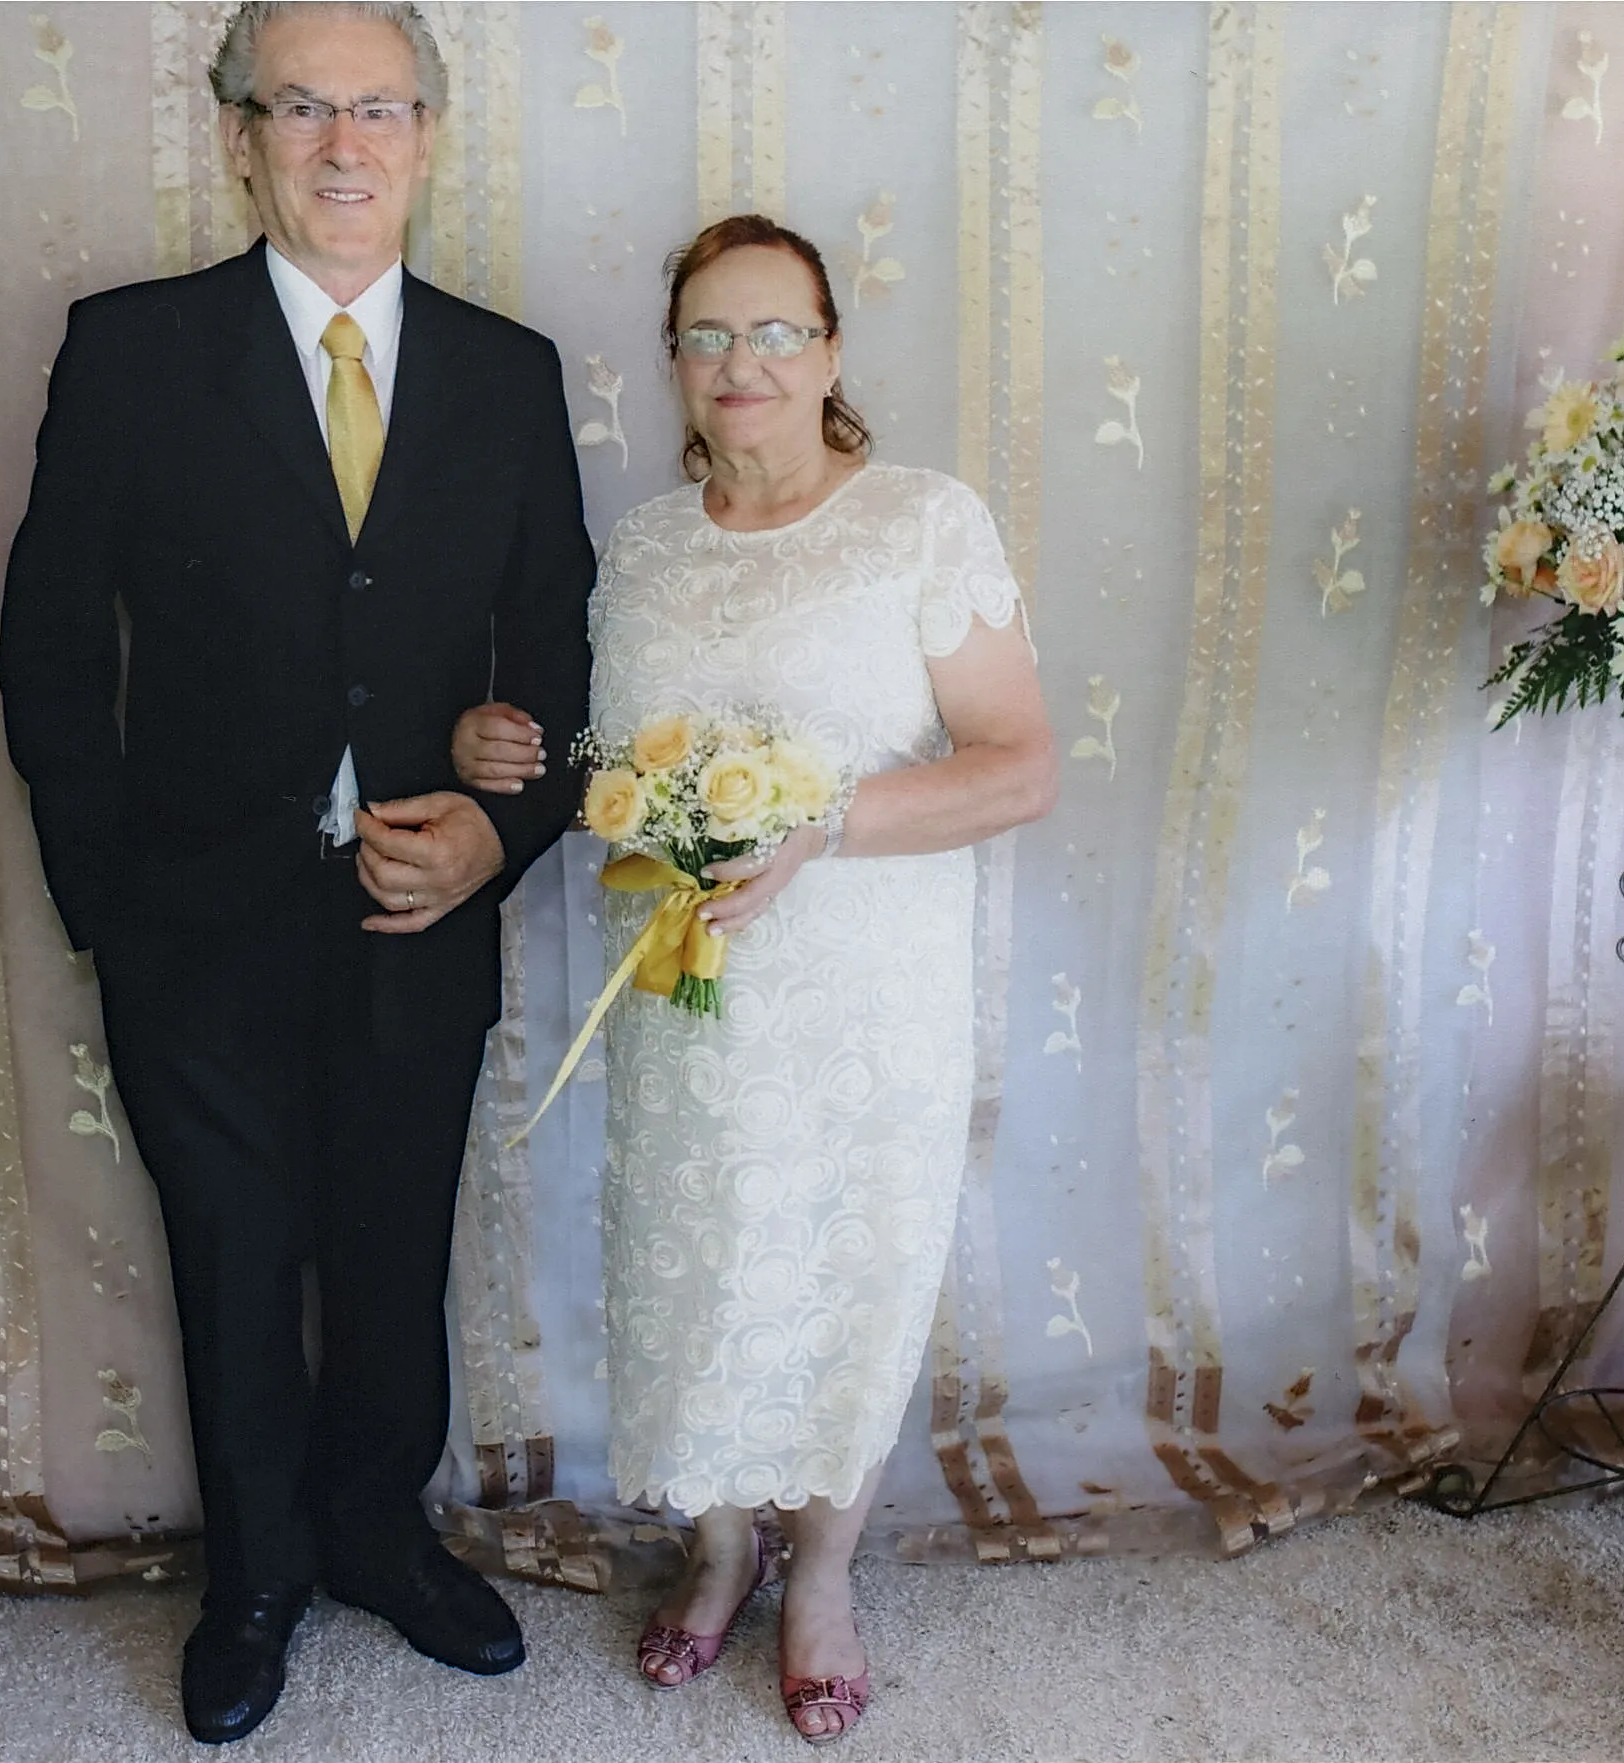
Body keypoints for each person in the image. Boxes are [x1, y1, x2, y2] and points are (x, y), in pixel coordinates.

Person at [0, 1, 592, 1744]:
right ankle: (251, 1570)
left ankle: (375, 1537)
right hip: (194, 916)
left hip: (425, 907)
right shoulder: (130, 350)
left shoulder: (509, 370)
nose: (347, 143)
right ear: (239, 131)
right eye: (306, 106)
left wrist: (503, 829)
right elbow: (48, 651)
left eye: (383, 108)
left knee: (395, 1246)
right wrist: (106, 894)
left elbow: (555, 651)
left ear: (429, 133)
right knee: (235, 1252)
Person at [451, 214, 1056, 1745]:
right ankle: (717, 1550)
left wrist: (822, 819)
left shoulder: (921, 520)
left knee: (843, 1273)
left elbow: (1021, 767)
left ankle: (825, 1577)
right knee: (696, 1270)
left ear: (833, 350)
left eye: (777, 331)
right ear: (674, 362)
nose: (743, 364)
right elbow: (612, 768)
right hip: (685, 993)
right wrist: (517, 756)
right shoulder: (646, 547)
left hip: (864, 995)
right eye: (709, 336)